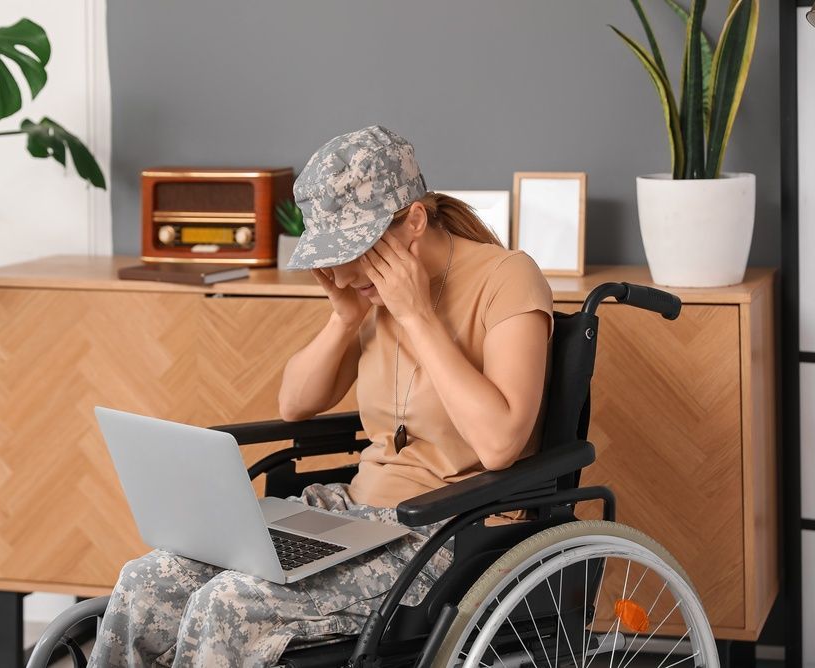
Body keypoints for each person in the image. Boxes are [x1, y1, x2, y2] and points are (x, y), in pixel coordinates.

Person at [86, 125, 554, 667]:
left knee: (229, 602)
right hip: (354, 516)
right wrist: (344, 318)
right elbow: (295, 405)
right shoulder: (369, 293)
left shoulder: (507, 279)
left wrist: (417, 315)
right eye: (329, 254)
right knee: (146, 580)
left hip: (445, 531)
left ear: (415, 223)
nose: (339, 270)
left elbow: (500, 445)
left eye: (352, 250)